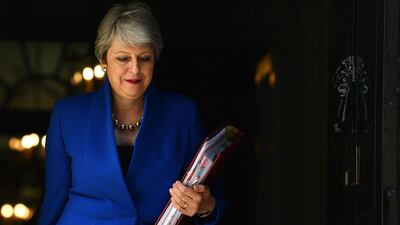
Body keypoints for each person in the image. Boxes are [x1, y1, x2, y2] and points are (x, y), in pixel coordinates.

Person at [38, 1, 227, 225]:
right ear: (103, 60)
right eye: (123, 58)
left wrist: (206, 206)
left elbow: (213, 195)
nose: (135, 69)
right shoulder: (67, 115)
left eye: (145, 58)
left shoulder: (183, 113)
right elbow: (54, 202)